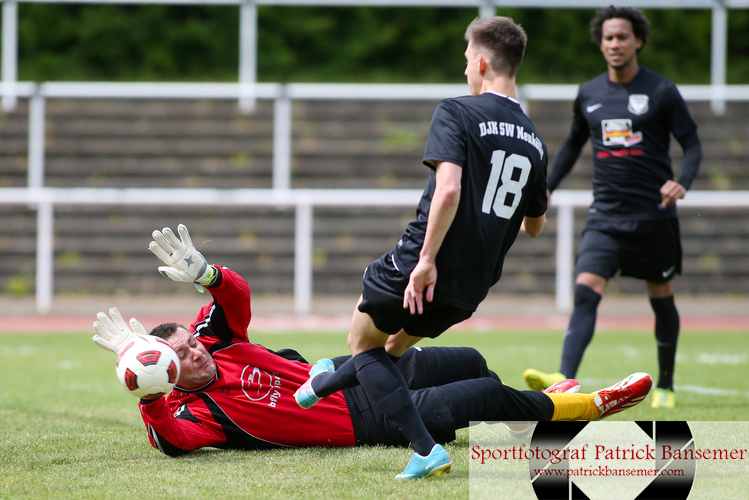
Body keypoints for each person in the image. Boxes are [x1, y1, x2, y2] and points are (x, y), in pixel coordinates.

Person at [92, 224, 652, 470]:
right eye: (184, 358)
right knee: (483, 392)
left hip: (356, 374)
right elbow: (178, 442)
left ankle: (524, 420)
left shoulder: (216, 338)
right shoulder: (196, 413)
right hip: (370, 424)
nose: (197, 352)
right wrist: (147, 391)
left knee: (470, 361)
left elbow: (234, 299)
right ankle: (587, 406)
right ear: (170, 379)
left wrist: (209, 274)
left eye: (190, 344)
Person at [292, 16, 552, 479]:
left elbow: (448, 189)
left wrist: (426, 260)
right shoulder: (534, 141)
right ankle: (324, 386)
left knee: (361, 343)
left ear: (482, 61)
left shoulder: (456, 110)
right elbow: (535, 225)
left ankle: (425, 448)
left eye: (467, 61)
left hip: (423, 262)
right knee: (389, 352)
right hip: (473, 282)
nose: (465, 70)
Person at [522, 6, 702, 411]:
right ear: (600, 43)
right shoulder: (589, 93)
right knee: (585, 291)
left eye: (622, 37)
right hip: (605, 215)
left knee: (661, 297)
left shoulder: (662, 91)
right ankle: (564, 378)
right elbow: (572, 145)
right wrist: (546, 188)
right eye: (608, 38)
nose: (614, 44)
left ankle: (667, 386)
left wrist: (682, 182)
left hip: (654, 216)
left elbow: (692, 143)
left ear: (638, 41)